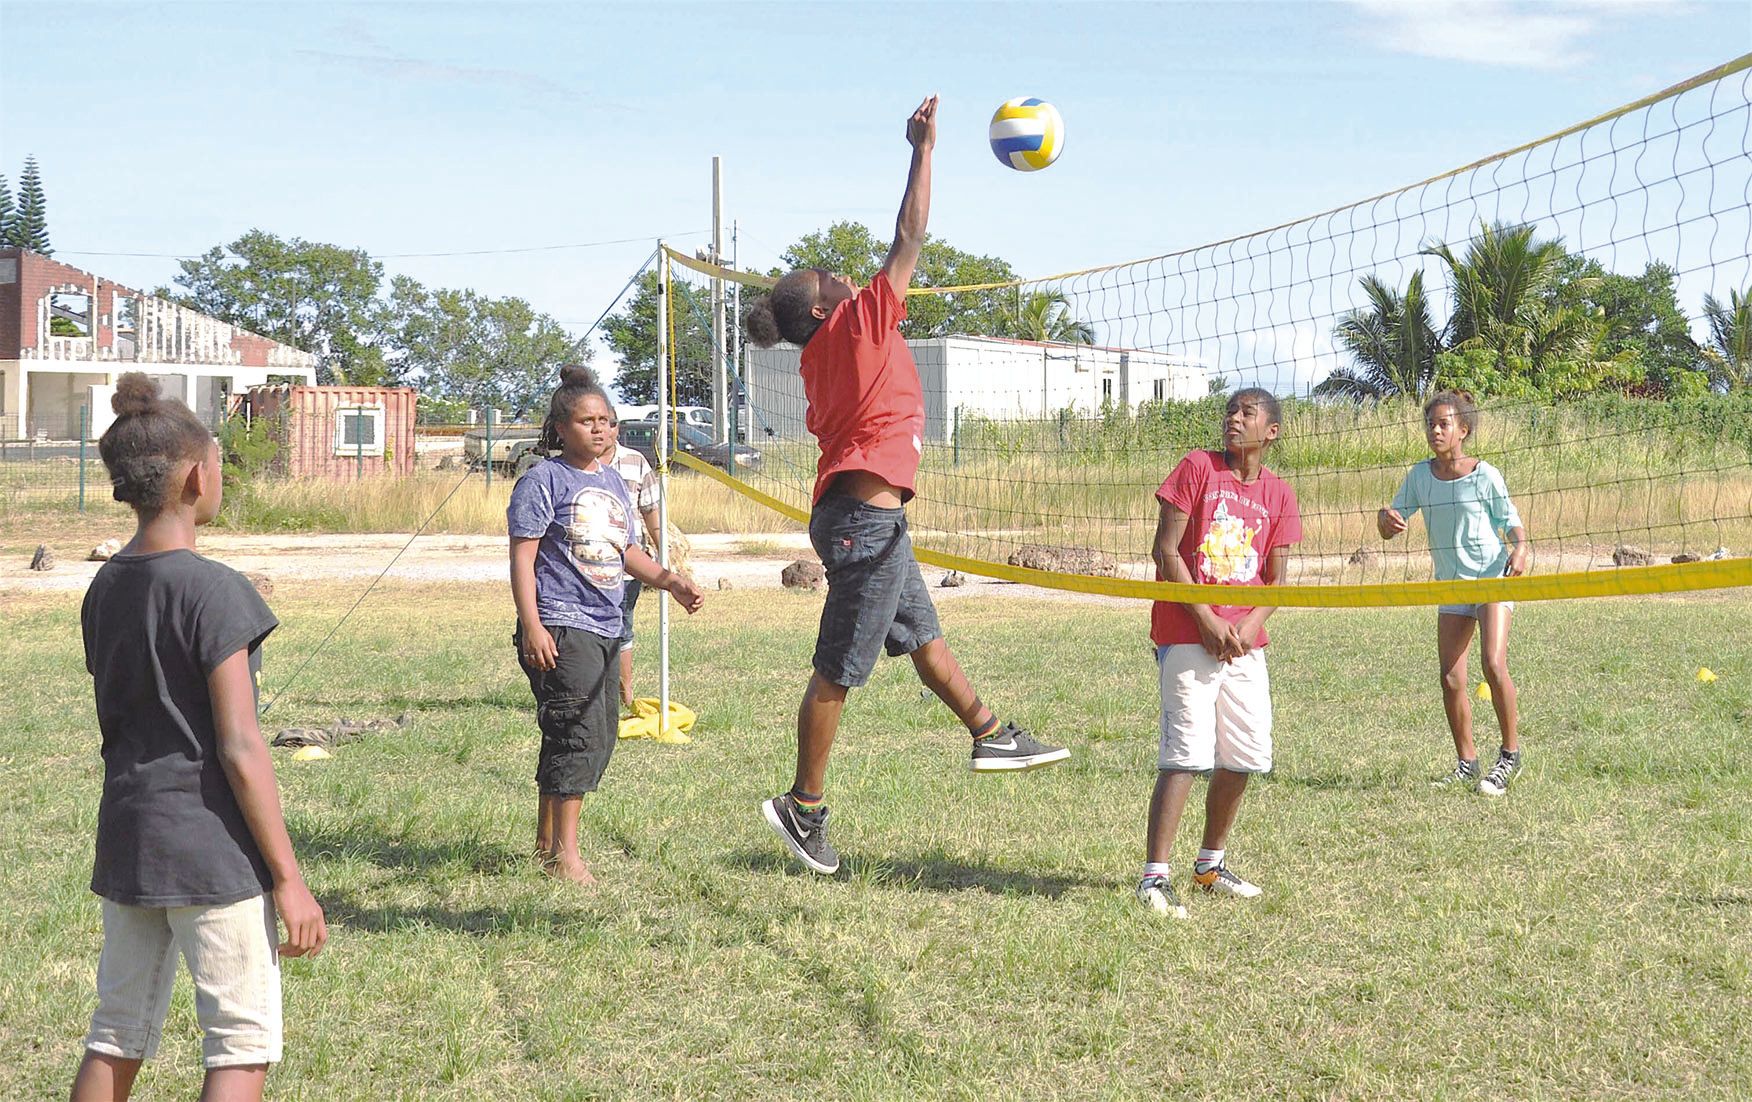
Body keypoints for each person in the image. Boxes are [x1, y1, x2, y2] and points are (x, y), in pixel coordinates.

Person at [743, 95, 1068, 877]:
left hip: (862, 516)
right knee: (838, 668)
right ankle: (803, 806)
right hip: (863, 520)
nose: (846, 274)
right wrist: (924, 149)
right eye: (833, 275)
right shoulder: (855, 325)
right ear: (826, 305)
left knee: (923, 635)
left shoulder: (828, 347)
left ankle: (991, 734)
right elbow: (910, 235)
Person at [70, 373, 327, 1102]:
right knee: (241, 1045)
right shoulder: (215, 589)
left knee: (116, 1033)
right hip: (212, 851)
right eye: (217, 464)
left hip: (128, 836)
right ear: (192, 476)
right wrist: (289, 878)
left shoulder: (104, 586)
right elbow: (241, 748)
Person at [508, 364, 704, 885]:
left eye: (608, 421)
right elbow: (522, 558)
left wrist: (670, 580)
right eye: (587, 421)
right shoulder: (543, 480)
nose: (600, 430)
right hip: (559, 623)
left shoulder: (616, 480)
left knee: (582, 732)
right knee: (580, 732)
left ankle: (546, 846)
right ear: (559, 428)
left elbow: (626, 551)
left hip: (605, 623)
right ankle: (567, 858)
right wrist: (532, 624)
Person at [1138, 388, 1302, 919]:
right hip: (1188, 631)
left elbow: (1274, 580)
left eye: (1246, 413)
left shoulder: (1279, 494)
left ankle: (1210, 865)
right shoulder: (1196, 467)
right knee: (1187, 752)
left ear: (1270, 432)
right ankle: (1154, 878)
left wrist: (1250, 624)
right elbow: (1166, 551)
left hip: (1244, 644)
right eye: (1230, 411)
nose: (1234, 419)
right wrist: (1206, 617)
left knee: (1246, 754)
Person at [1378, 390, 1530, 796]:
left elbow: (1512, 523)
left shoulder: (1485, 474)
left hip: (1491, 576)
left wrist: (1521, 546)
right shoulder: (1420, 476)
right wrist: (1386, 521)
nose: (1435, 431)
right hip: (1452, 582)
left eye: (1443, 424)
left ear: (1463, 430)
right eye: (1431, 424)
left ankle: (1510, 756)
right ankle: (1467, 762)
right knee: (1450, 677)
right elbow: (1391, 520)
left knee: (1493, 664)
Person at [604, 410, 665, 713]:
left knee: (622, 627)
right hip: (585, 568)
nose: (604, 430)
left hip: (628, 569)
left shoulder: (636, 462)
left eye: (611, 423)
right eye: (594, 422)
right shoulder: (568, 466)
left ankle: (624, 695)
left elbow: (653, 519)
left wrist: (665, 563)